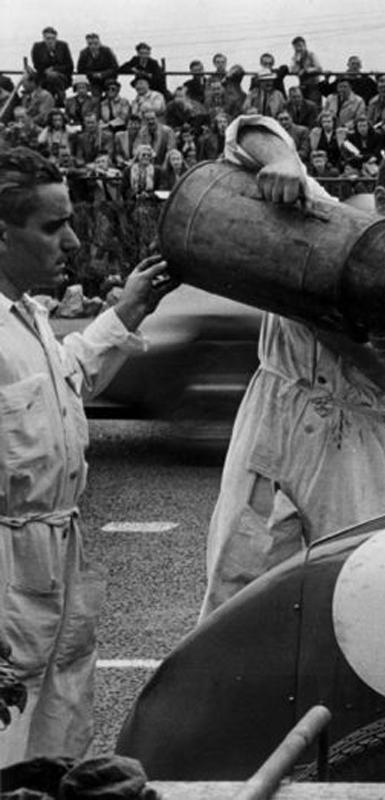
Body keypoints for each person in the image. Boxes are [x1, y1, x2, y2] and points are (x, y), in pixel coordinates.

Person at [199, 118, 385, 618]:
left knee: (356, 598)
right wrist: (284, 162)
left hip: (357, 448)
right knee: (237, 591)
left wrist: (334, 330)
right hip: (275, 417)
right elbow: (246, 131)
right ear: (383, 201)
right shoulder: (328, 221)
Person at [0, 147, 176, 766]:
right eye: (53, 226)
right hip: (7, 571)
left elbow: (67, 379)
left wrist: (127, 310)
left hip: (55, 559)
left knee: (58, 733)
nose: (72, 240)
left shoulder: (28, 318)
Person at [30, 27, 74, 99]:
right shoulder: (37, 47)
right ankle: (57, 100)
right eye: (48, 38)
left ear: (56, 38)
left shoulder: (63, 46)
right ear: (43, 38)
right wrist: (46, 71)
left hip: (61, 76)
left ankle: (59, 99)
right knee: (49, 79)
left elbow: (70, 66)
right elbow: (36, 64)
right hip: (44, 75)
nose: (50, 41)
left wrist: (54, 69)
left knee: (53, 77)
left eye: (53, 38)